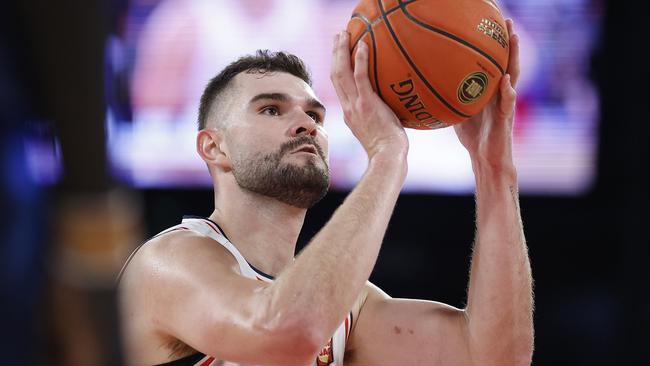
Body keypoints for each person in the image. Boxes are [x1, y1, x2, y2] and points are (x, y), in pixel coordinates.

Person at [118, 19, 533, 366]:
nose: (306, 123)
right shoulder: (170, 262)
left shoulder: (344, 303)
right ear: (214, 147)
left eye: (315, 113)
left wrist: (493, 169)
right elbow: (285, 333)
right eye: (271, 109)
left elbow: (494, 357)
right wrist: (388, 155)